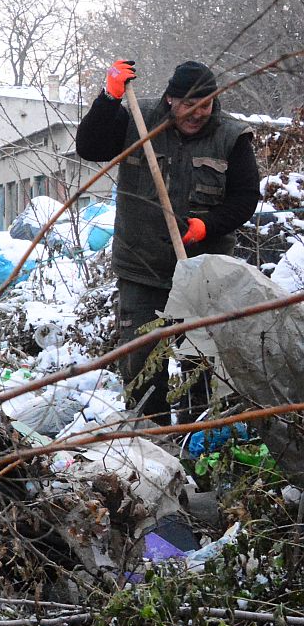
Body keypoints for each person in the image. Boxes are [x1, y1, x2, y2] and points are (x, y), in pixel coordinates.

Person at [75, 58, 261, 425]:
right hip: (141, 269)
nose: (197, 114)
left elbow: (245, 197)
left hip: (202, 276)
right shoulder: (138, 120)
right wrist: (108, 98)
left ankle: (198, 446)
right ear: (171, 100)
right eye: (189, 106)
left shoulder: (231, 137)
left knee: (201, 369)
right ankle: (152, 445)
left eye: (205, 106)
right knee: (143, 368)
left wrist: (207, 226)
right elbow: (90, 147)